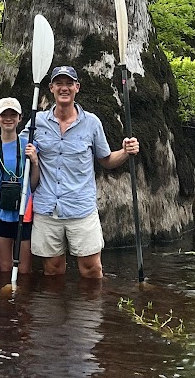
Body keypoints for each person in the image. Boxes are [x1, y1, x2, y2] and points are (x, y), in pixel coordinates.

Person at [25, 66, 140, 279]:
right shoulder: (37, 122)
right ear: (51, 88)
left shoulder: (92, 123)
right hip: (47, 208)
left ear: (77, 87)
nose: (64, 88)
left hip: (81, 208)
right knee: (52, 270)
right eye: (59, 83)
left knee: (92, 269)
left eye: (69, 83)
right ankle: (53, 313)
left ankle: (89, 312)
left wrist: (125, 152)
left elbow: (106, 160)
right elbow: (13, 144)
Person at [0, 97, 39, 273]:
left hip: (23, 216)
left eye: (13, 114)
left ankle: (22, 300)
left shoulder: (29, 146)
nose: (8, 118)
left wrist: (35, 162)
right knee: (5, 268)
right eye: (4, 115)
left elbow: (33, 185)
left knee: (24, 270)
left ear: (20, 118)